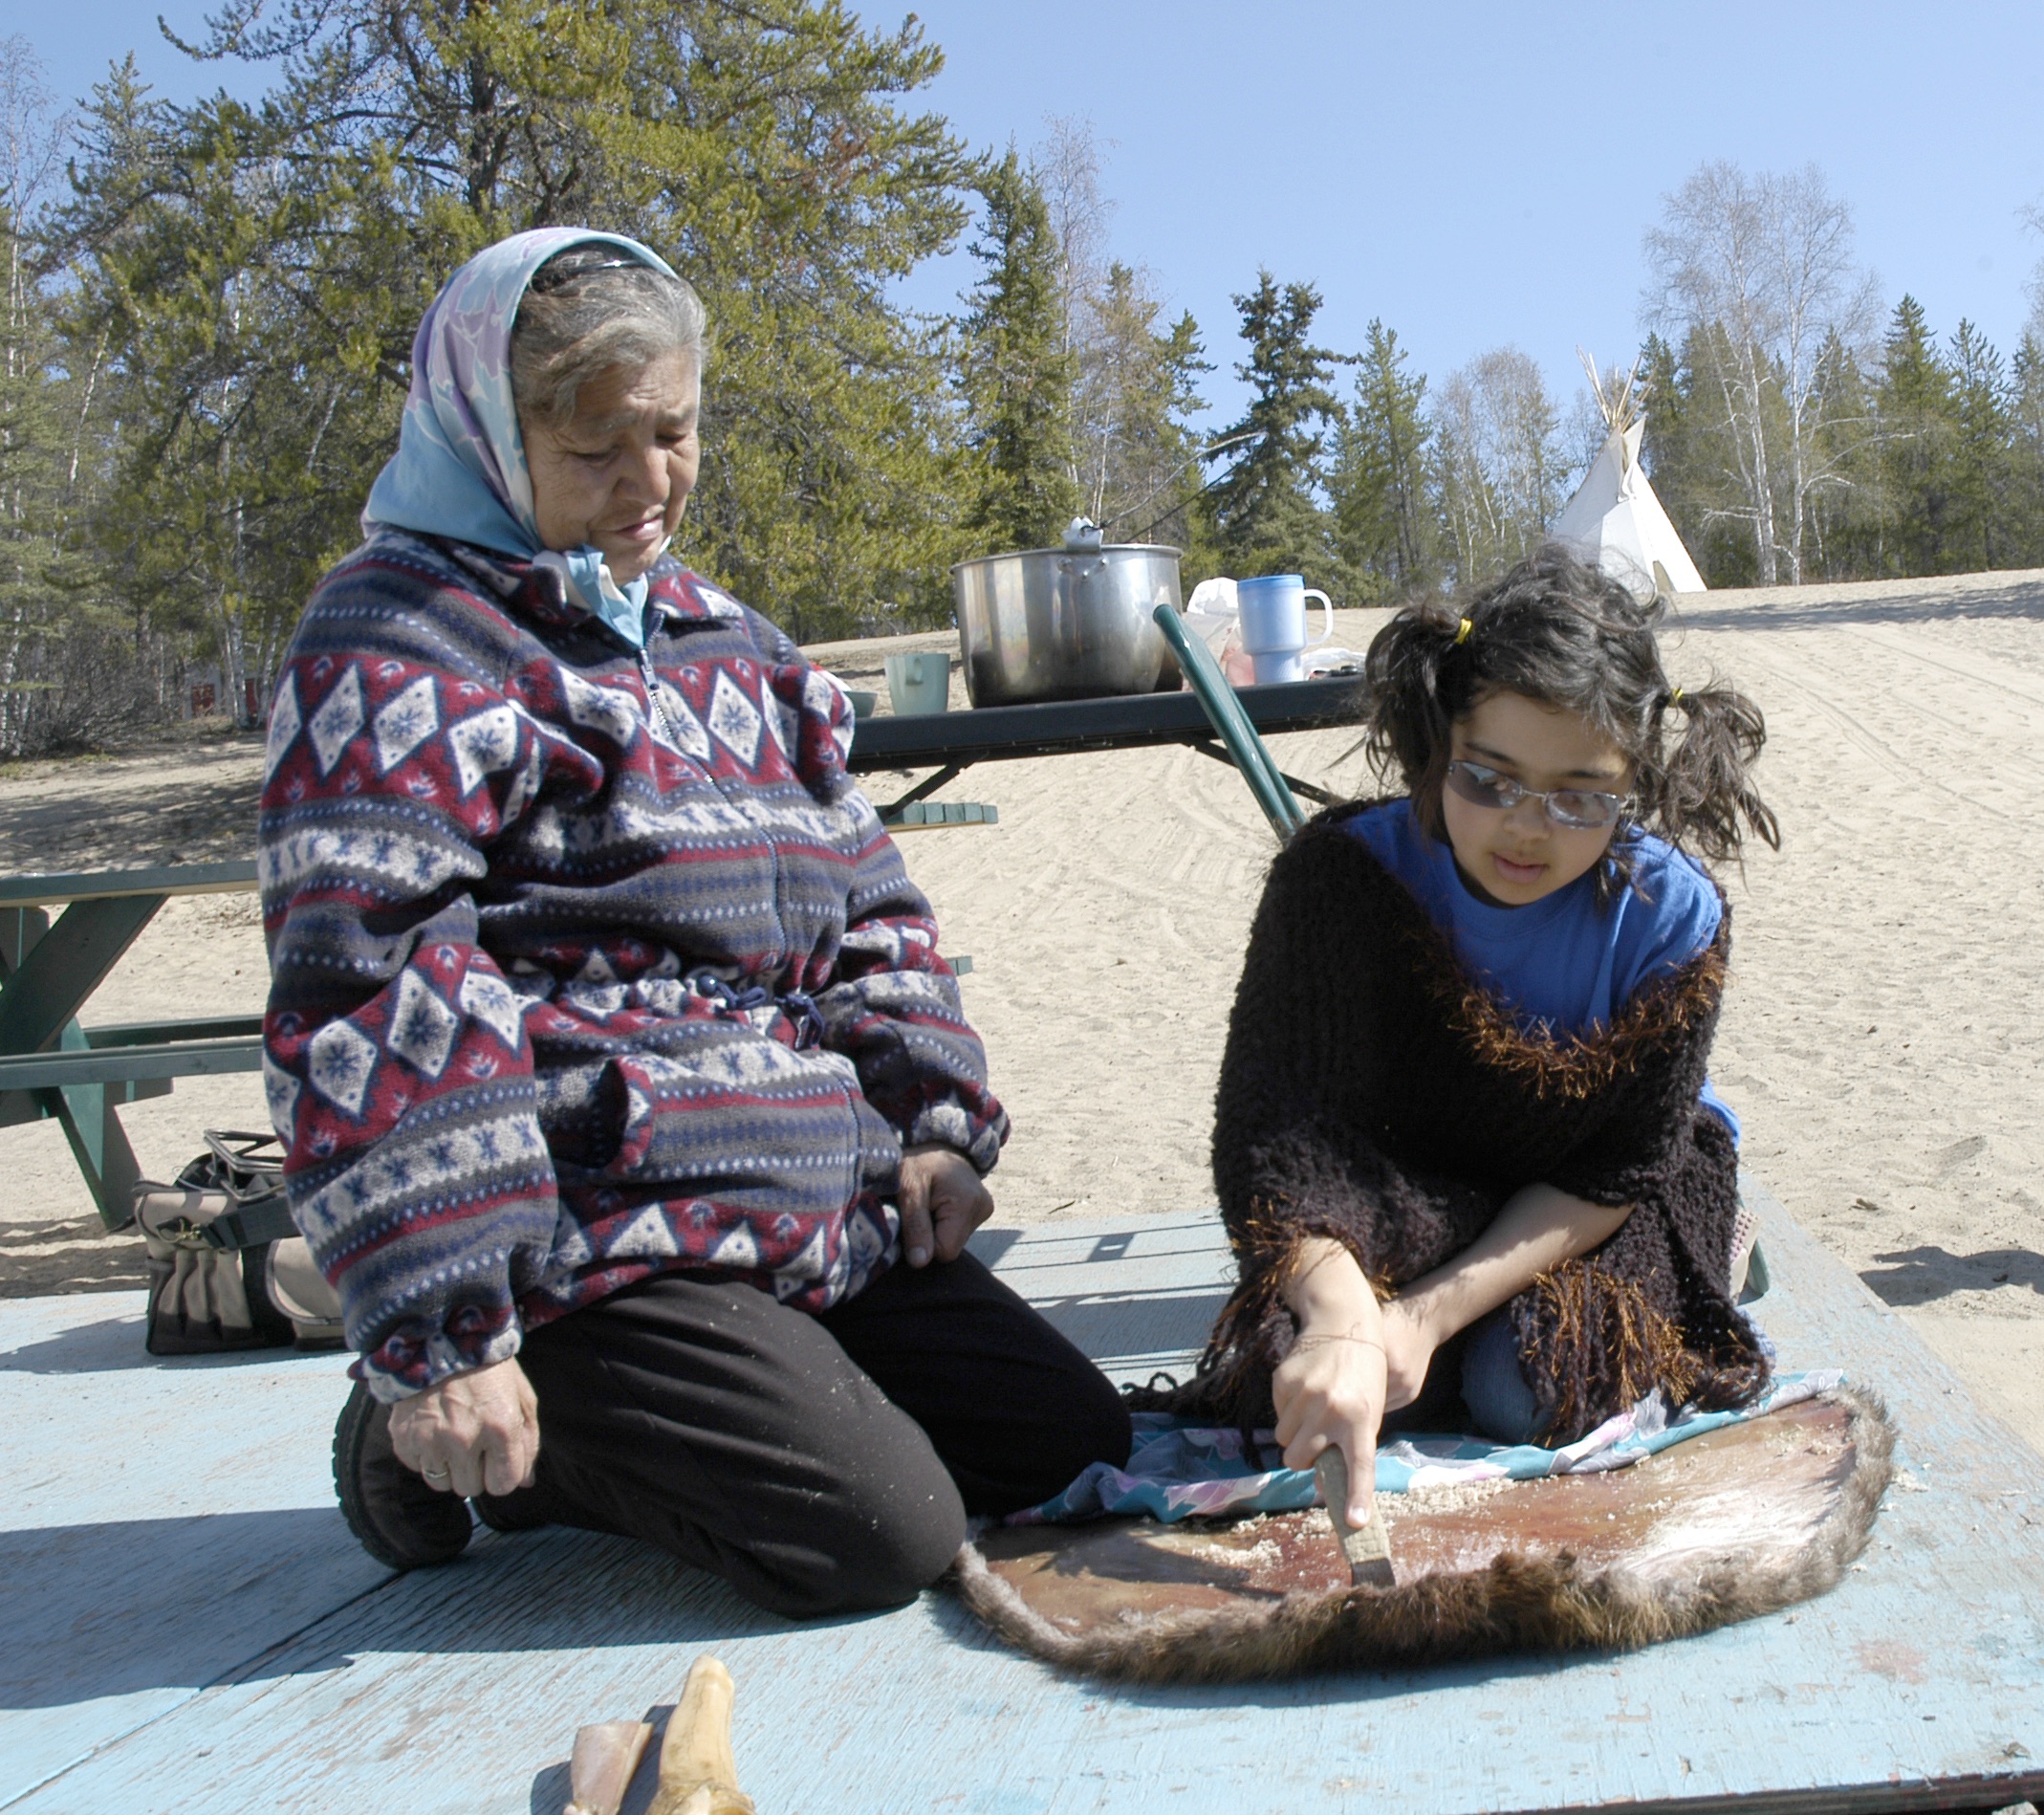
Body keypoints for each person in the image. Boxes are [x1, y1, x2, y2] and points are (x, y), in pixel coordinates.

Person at [260, 227, 1130, 1614]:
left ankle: (752, 1389)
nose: (648, 482)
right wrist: (444, 1320)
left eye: (673, 433)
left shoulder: (730, 641)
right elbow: (368, 985)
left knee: (1062, 1449)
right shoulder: (398, 642)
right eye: (598, 447)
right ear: (492, 427)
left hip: (800, 1198)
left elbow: (867, 902)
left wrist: (928, 1120)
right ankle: (477, 1442)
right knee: (877, 1539)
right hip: (585, 1233)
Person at [1157, 546, 1780, 1529]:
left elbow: (1617, 1167)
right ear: (1437, 743)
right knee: (1294, 1380)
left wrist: (1420, 1317)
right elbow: (1275, 1135)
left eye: (1579, 795)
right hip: (1408, 1173)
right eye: (1488, 779)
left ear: (1636, 780)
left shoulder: (1672, 918)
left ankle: (1719, 1242)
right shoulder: (1339, 880)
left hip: (1581, 1182)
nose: (1527, 828)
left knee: (1521, 1385)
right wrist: (1344, 1319)